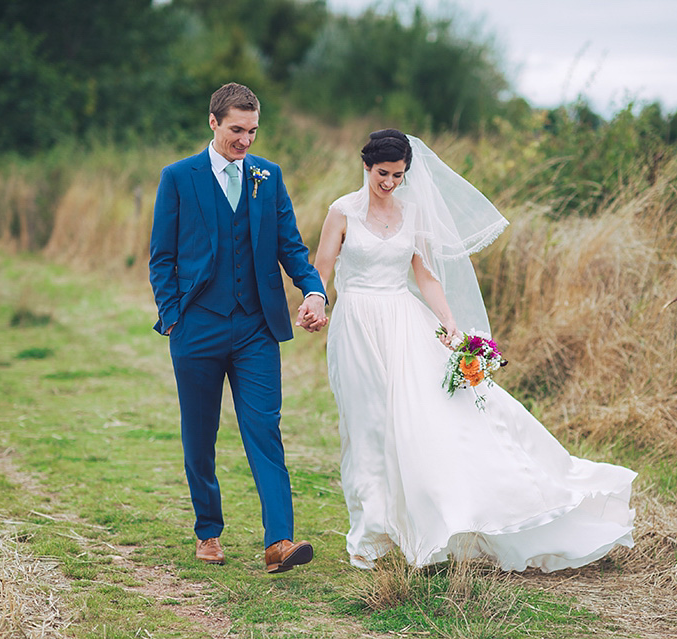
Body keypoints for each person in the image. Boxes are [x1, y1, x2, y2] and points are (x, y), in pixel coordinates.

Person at [313, 129, 636, 572]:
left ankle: (428, 522)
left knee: (422, 422)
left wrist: (448, 322)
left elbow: (426, 276)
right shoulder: (342, 211)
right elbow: (323, 267)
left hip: (405, 321)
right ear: (366, 166)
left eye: (399, 176)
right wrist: (316, 301)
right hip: (356, 324)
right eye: (383, 174)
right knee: (366, 424)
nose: (390, 183)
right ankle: (370, 535)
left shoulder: (412, 213)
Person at [149, 83, 328, 573]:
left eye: (252, 131)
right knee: (199, 434)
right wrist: (174, 317)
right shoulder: (178, 178)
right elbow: (162, 257)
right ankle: (208, 530)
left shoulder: (268, 177)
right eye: (236, 130)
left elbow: (292, 248)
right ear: (213, 122)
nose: (245, 141)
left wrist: (314, 291)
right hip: (197, 328)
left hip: (255, 329)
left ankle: (279, 543)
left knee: (264, 429)